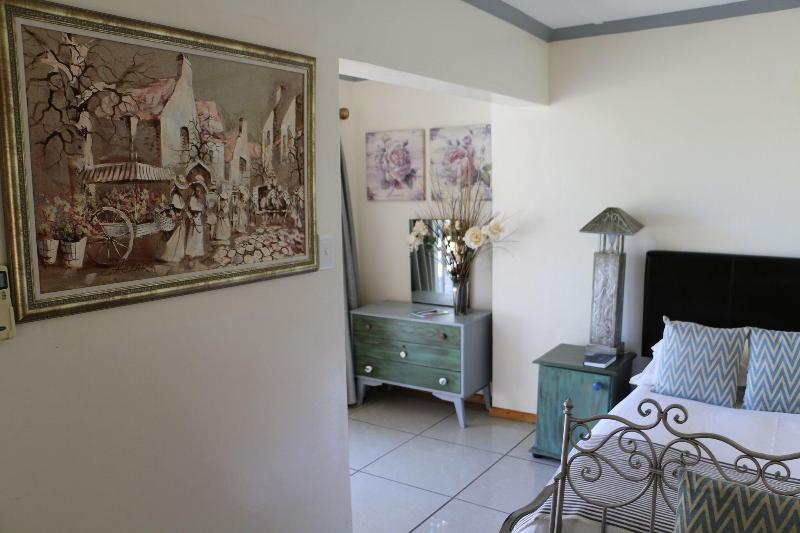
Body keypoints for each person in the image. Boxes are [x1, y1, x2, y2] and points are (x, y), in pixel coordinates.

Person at [155, 178, 189, 263]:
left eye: (183, 189)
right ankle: (165, 255)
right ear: (177, 188)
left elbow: (182, 208)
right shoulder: (175, 196)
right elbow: (171, 208)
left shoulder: (180, 197)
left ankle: (177, 256)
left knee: (179, 237)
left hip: (180, 219)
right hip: (173, 219)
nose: (182, 190)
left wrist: (184, 212)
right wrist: (174, 215)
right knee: (171, 237)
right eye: (181, 189)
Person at [185, 183, 206, 266]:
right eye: (197, 191)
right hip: (192, 220)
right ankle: (190, 255)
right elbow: (186, 209)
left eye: (199, 191)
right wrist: (190, 217)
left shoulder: (202, 199)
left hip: (199, 220)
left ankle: (198, 253)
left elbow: (203, 210)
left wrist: (201, 213)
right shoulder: (191, 199)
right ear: (194, 191)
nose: (198, 192)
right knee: (192, 236)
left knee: (199, 236)